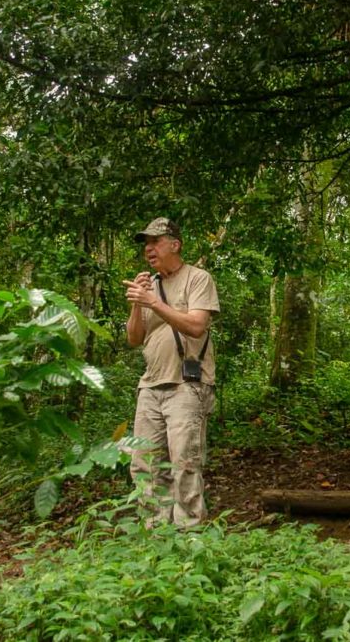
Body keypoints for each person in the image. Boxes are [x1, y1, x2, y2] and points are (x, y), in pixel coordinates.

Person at [123, 217, 220, 526]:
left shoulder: (197, 278)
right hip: (150, 386)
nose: (149, 249)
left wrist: (154, 301)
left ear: (175, 245)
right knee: (144, 463)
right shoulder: (149, 285)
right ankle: (154, 534)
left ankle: (189, 534)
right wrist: (139, 303)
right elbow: (134, 338)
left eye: (155, 242)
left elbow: (196, 325)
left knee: (185, 462)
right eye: (145, 245)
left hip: (186, 384)